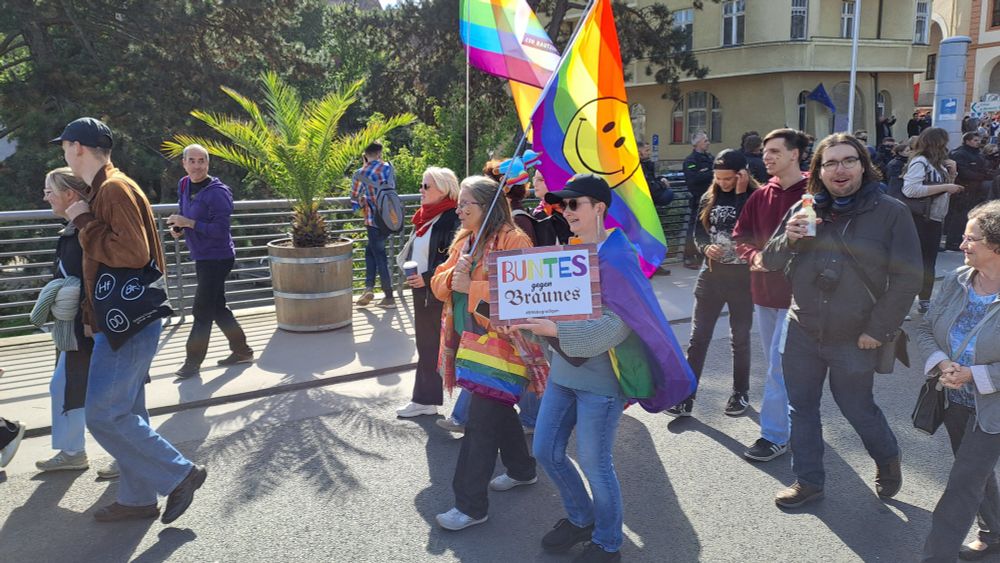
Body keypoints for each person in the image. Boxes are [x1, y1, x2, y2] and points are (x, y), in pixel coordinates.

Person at [511, 173, 695, 563]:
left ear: (599, 208)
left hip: (602, 380)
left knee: (596, 465)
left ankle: (608, 542)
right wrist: (524, 315)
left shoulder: (617, 256)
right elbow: (553, 309)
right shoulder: (572, 254)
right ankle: (581, 518)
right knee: (546, 451)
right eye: (563, 204)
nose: (567, 211)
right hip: (564, 373)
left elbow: (618, 324)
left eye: (575, 204)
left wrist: (553, 327)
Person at [54, 117, 206, 524]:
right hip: (122, 319)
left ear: (78, 148)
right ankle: (138, 498)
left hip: (128, 322)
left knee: (103, 413)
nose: (63, 153)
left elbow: (132, 254)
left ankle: (180, 473)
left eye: (65, 146)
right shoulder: (107, 187)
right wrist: (91, 316)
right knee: (129, 413)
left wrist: (83, 220)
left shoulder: (113, 189)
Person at [762, 133, 922, 509]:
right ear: (818, 170)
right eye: (830, 162)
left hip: (855, 335)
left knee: (856, 408)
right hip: (802, 328)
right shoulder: (804, 208)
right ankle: (808, 481)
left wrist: (878, 329)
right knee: (801, 408)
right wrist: (788, 238)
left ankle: (886, 457)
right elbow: (768, 261)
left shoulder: (890, 212)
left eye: (849, 160)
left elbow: (908, 277)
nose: (840, 169)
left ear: (863, 166)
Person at [431, 175, 536, 531]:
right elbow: (438, 283)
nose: (458, 209)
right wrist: (452, 279)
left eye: (466, 204)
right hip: (470, 343)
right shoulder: (464, 240)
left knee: (479, 425)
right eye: (459, 203)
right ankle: (523, 470)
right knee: (498, 412)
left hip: (504, 348)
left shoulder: (514, 239)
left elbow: (521, 300)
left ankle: (470, 506)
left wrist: (471, 287)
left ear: (488, 207)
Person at [919, 201, 1000, 562]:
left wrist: (976, 375)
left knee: (962, 484)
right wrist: (942, 363)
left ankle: (935, 557)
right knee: (975, 474)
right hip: (955, 399)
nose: (962, 245)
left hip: (993, 409)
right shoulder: (957, 280)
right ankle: (995, 532)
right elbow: (924, 328)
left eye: (972, 239)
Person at [731, 128, 809, 462]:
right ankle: (796, 420)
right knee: (777, 366)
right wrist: (754, 256)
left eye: (775, 151)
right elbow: (740, 236)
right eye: (765, 151)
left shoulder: (814, 194)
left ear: (795, 154)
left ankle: (774, 436)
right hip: (763, 294)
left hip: (799, 299)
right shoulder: (760, 195)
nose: (767, 157)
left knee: (778, 366)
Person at [668, 150, 756, 417]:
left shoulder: (755, 197)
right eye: (718, 178)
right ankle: (686, 397)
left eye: (729, 178)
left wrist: (740, 195)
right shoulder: (710, 196)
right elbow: (698, 231)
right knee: (698, 339)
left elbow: (748, 229)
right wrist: (705, 248)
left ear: (743, 174)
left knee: (739, 339)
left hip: (743, 278)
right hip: (712, 276)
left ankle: (740, 393)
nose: (723, 183)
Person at [167, 144, 253, 379]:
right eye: (192, 161)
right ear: (184, 163)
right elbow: (185, 212)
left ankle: (192, 362)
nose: (197, 165)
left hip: (218, 257)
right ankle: (242, 350)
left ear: (208, 163)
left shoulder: (218, 192)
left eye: (201, 161)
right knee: (217, 307)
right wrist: (178, 227)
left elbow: (220, 230)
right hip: (202, 255)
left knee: (202, 310)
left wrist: (189, 224)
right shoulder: (184, 184)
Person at [33, 168, 95, 473]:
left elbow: (93, 276)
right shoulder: (72, 228)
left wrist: (87, 318)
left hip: (88, 326)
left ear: (70, 195)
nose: (45, 197)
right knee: (63, 385)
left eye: (49, 191)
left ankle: (130, 457)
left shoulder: (82, 229)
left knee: (78, 387)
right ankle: (73, 451)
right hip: (75, 326)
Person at [394, 167, 460, 418]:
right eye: (422, 185)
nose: (420, 191)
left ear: (443, 189)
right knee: (427, 345)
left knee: (450, 345)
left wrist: (427, 278)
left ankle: (467, 406)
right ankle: (426, 400)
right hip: (423, 291)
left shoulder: (452, 218)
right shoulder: (425, 217)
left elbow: (453, 259)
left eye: (426, 186)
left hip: (438, 291)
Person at [903, 127, 964, 314]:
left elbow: (943, 192)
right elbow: (910, 189)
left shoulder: (938, 164)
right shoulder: (920, 162)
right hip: (920, 218)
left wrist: (952, 175)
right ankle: (904, 303)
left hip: (935, 218)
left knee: (929, 262)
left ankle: (924, 299)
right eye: (944, 143)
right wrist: (946, 185)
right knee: (915, 263)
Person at [351, 141, 397, 308]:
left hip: (372, 220)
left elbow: (354, 199)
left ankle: (389, 296)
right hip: (389, 219)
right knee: (370, 251)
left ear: (365, 154)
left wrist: (362, 202)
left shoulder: (359, 173)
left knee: (379, 256)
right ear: (380, 153)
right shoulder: (388, 168)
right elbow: (392, 188)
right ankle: (368, 288)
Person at [946, 132, 994, 251]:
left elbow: (984, 169)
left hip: (976, 189)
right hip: (964, 188)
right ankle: (953, 242)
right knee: (959, 216)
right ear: (967, 141)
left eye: (979, 140)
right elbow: (964, 172)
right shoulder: (959, 153)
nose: (978, 142)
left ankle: (963, 240)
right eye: (975, 140)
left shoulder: (978, 154)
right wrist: (982, 176)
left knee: (969, 216)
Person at [682, 131, 714, 270]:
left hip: (711, 197)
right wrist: (710, 173)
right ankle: (689, 256)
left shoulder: (710, 158)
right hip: (698, 199)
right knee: (694, 228)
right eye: (705, 140)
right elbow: (693, 179)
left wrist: (706, 172)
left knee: (708, 228)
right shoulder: (691, 161)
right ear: (697, 143)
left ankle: (703, 254)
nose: (708, 142)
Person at [530, 169, 572, 245]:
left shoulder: (570, 210)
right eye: (534, 179)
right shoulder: (535, 212)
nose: (535, 184)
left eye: (541, 180)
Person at [638, 141, 674, 207]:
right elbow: (651, 186)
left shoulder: (647, 164)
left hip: (648, 200)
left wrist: (662, 178)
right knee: (669, 193)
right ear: (639, 153)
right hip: (645, 200)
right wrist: (663, 184)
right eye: (647, 151)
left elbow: (653, 178)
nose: (649, 153)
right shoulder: (639, 167)